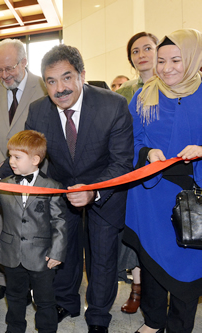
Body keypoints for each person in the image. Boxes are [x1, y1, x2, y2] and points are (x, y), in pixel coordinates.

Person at [0, 44, 133, 333]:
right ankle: (66, 302)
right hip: (61, 191)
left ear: (82, 75)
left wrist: (94, 191)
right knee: (62, 252)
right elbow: (24, 153)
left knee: (103, 257)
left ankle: (97, 316)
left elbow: (122, 163)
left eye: (67, 78)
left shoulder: (113, 105)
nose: (60, 88)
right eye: (51, 81)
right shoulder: (38, 111)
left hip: (103, 189)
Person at [124, 28, 202, 333]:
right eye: (161, 60)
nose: (166, 68)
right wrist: (146, 151)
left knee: (190, 263)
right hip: (151, 194)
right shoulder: (145, 96)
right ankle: (153, 321)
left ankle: (180, 325)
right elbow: (128, 138)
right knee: (151, 260)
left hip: (194, 195)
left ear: (194, 59)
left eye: (176, 60)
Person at [0, 38, 47, 301]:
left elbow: (45, 130)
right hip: (0, 167)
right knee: (0, 224)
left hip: (32, 169)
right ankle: (2, 279)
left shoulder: (42, 85)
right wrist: (2, 161)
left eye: (10, 68)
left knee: (31, 226)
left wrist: (24, 161)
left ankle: (32, 279)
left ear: (24, 62)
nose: (4, 75)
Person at [0, 130, 67, 333]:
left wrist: (57, 253)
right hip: (12, 253)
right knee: (14, 297)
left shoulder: (51, 187)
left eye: (17, 157)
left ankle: (47, 329)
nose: (11, 161)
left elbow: (60, 222)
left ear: (35, 159)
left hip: (42, 256)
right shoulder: (5, 184)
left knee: (45, 300)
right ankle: (14, 329)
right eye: (10, 155)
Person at [115, 31, 159, 315]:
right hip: (134, 170)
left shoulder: (172, 86)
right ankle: (137, 288)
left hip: (165, 170)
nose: (141, 54)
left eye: (147, 48)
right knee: (137, 233)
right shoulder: (126, 92)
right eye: (135, 51)